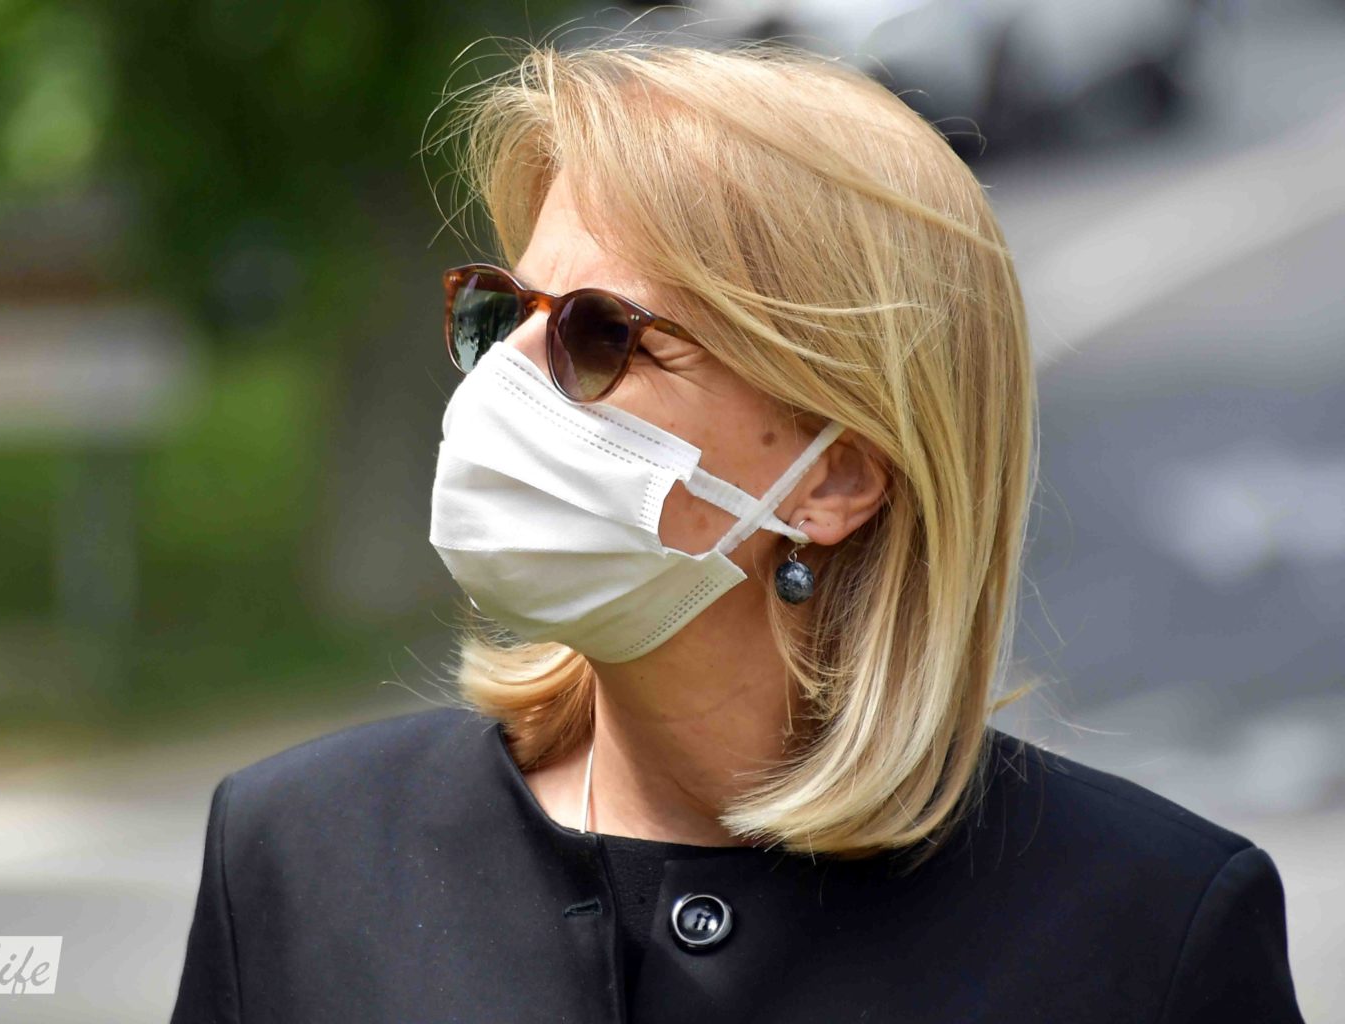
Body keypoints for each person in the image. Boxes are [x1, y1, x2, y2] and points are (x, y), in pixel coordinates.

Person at [169, 39, 1307, 1023]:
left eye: (599, 335)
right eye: (498, 313)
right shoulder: (296, 852)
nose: (502, 378)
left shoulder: (1150, 931)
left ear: (836, 478)